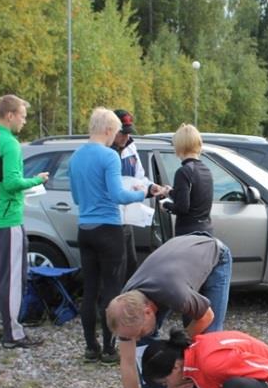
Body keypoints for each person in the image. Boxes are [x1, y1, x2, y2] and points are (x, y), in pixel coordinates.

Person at [105, 233, 232, 388]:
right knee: (145, 348)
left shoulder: (175, 294)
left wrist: (178, 347)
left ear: (147, 312)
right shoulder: (127, 306)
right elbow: (127, 364)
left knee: (207, 344)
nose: (134, 338)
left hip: (213, 254)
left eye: (137, 332)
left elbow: (207, 317)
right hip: (172, 265)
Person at [69, 107, 146, 363]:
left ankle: (90, 347)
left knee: (90, 290)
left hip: (85, 229)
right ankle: (109, 349)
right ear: (107, 130)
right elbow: (117, 195)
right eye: (115, 132)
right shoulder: (109, 157)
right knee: (111, 290)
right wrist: (144, 193)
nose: (116, 138)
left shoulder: (76, 157)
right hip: (109, 228)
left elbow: (78, 198)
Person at [0, 94, 48, 349]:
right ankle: (13, 334)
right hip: (7, 217)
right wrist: (38, 179)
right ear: (10, 115)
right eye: (23, 117)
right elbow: (13, 183)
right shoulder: (11, 144)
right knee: (12, 276)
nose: (24, 122)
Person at [111, 109, 166, 279]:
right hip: (110, 220)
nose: (126, 138)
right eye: (122, 134)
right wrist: (142, 194)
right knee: (114, 273)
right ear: (112, 130)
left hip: (127, 219)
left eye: (128, 133)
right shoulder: (104, 152)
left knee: (130, 267)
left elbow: (139, 177)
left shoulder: (130, 147)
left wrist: (151, 187)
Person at [161, 124, 214, 236]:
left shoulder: (183, 172)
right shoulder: (207, 170)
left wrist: (165, 206)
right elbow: (195, 198)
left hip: (188, 232)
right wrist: (170, 192)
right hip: (207, 230)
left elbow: (182, 208)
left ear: (179, 146)